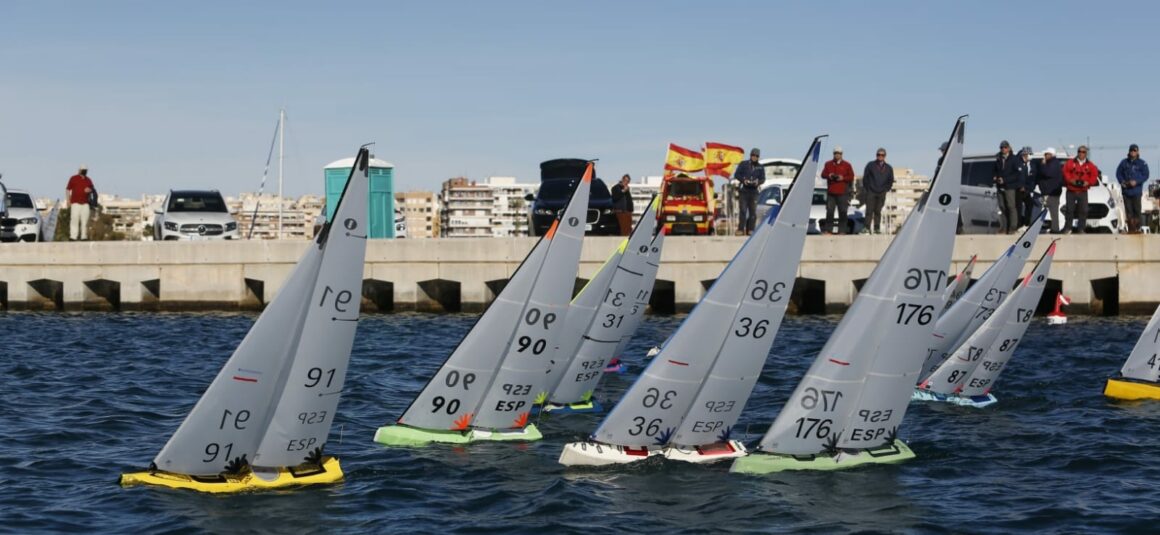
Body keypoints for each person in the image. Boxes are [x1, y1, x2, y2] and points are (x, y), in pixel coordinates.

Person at [1062, 145, 1099, 234]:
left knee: (1083, 210)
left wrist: (1088, 182)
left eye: (1083, 152)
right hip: (1071, 190)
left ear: (1086, 153)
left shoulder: (1090, 165)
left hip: (1083, 191)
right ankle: (1068, 228)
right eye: (1079, 151)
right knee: (1069, 210)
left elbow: (1094, 175)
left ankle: (1081, 229)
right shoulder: (1070, 162)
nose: (1081, 153)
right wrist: (1071, 180)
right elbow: (1065, 172)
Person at [1116, 144, 1151, 233]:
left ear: (1138, 152)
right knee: (1128, 211)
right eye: (1131, 150)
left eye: (1135, 151)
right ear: (1129, 151)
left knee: (1137, 211)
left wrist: (1136, 181)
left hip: (1136, 192)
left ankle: (1138, 228)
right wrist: (1122, 182)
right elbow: (1118, 173)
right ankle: (1131, 229)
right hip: (1126, 192)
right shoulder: (1124, 162)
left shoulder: (1142, 163)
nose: (1133, 152)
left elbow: (1146, 175)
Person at [821, 146, 855, 234]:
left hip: (842, 192)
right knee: (829, 211)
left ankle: (842, 230)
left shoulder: (847, 165)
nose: (837, 155)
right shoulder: (828, 164)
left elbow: (851, 176)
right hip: (831, 192)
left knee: (843, 212)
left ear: (841, 154)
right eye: (836, 153)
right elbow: (823, 174)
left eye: (839, 153)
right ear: (833, 154)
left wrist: (843, 178)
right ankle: (828, 230)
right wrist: (829, 175)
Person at [861, 148, 894, 234]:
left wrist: (886, 189)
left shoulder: (889, 168)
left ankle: (876, 229)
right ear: (876, 155)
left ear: (885, 156)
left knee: (877, 211)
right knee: (869, 210)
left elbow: (890, 180)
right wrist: (868, 188)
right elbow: (865, 178)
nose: (880, 156)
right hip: (871, 192)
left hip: (882, 192)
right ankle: (866, 228)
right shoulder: (870, 165)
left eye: (882, 155)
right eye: (878, 155)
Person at [732, 148, 764, 235]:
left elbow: (763, 179)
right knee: (742, 210)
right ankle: (740, 230)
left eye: (756, 156)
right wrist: (743, 180)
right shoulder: (743, 164)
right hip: (744, 191)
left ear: (758, 157)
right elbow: (736, 174)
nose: (754, 157)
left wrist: (758, 182)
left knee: (753, 212)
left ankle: (751, 230)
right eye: (753, 155)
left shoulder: (760, 167)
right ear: (750, 155)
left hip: (754, 192)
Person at [992, 140, 1020, 234]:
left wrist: (1005, 179)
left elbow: (1017, 174)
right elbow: (995, 170)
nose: (1003, 149)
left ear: (1008, 148)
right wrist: (995, 177)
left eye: (1005, 147)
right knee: (1002, 207)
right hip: (1000, 186)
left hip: (1010, 186)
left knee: (1011, 207)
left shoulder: (1014, 159)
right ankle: (1004, 227)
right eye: (1001, 147)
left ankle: (1013, 227)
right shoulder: (998, 158)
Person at [1035, 147, 1064, 233]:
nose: (1045, 156)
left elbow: (1048, 173)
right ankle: (1048, 227)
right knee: (1044, 211)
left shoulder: (1054, 163)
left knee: (1053, 211)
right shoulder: (1049, 163)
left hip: (1052, 192)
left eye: (1047, 154)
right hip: (1046, 191)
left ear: (1051, 154)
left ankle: (1055, 228)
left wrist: (1043, 165)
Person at [65, 165, 95, 241]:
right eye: (83, 170)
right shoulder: (73, 178)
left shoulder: (89, 180)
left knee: (85, 221)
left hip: (85, 203)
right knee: (74, 220)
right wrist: (68, 200)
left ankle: (84, 236)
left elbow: (92, 189)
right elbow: (68, 189)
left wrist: (90, 190)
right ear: (79, 170)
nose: (84, 171)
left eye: (85, 170)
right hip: (75, 203)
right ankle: (73, 237)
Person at [1014, 147, 1036, 228]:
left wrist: (1029, 188)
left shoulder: (1032, 165)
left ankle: (1026, 223)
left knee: (1029, 205)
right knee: (1018, 208)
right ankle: (1018, 225)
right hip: (1018, 189)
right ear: (1024, 154)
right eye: (1029, 154)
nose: (1030, 156)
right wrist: (1020, 186)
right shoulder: (1017, 163)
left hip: (1027, 189)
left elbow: (1032, 178)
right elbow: (1016, 177)